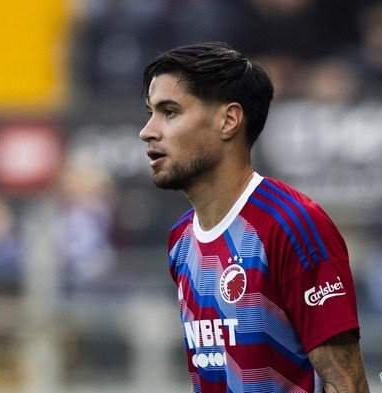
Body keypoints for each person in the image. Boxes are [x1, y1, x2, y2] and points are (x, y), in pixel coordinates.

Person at [139, 42, 369, 392]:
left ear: (229, 120)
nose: (148, 131)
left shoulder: (292, 224)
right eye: (151, 113)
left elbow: (346, 383)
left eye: (169, 112)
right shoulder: (181, 240)